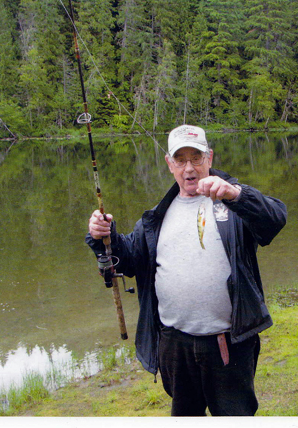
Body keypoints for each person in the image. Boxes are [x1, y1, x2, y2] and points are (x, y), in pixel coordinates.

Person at [86, 125, 287, 416]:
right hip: (174, 346)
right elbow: (127, 260)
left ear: (210, 158)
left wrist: (237, 195)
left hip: (228, 344)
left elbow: (274, 221)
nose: (189, 168)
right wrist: (103, 235)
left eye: (197, 158)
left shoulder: (233, 203)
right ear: (170, 164)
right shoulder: (157, 216)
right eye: (181, 160)